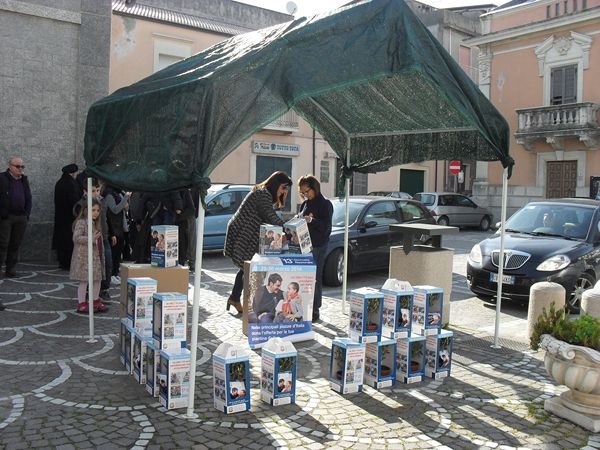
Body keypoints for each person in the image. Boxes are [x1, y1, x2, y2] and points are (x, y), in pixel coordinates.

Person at [224, 171, 292, 314]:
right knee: (248, 267)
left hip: (246, 231)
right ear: (276, 184)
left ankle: (234, 298)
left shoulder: (264, 193)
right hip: (243, 232)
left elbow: (269, 216)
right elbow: (270, 217)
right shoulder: (263, 194)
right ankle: (246, 303)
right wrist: (290, 227)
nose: (284, 191)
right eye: (284, 188)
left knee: (246, 267)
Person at [297, 175, 333, 322]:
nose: (305, 195)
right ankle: (304, 306)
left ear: (314, 188)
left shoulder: (325, 204)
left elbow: (326, 227)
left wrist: (312, 221)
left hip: (318, 245)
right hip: (304, 245)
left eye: (307, 191)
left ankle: (315, 310)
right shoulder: (305, 204)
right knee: (304, 278)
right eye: (303, 193)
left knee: (315, 278)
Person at [74, 180, 115, 301]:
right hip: (89, 242)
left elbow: (107, 219)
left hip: (103, 238)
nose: (96, 193)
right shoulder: (81, 205)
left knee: (106, 264)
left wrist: (112, 233)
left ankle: (103, 290)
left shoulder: (101, 202)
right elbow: (79, 225)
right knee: (88, 268)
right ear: (85, 192)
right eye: (92, 191)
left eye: (97, 190)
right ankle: (87, 293)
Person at [69, 198, 108, 314]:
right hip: (84, 258)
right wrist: (91, 238)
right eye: (93, 210)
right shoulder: (82, 222)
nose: (96, 213)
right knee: (84, 281)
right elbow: (76, 238)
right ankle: (81, 303)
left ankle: (95, 300)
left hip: (95, 257)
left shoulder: (95, 223)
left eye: (98, 210)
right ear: (86, 210)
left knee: (97, 279)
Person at [0, 156, 32, 278]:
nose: (20, 169)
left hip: (21, 217)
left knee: (15, 244)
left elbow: (28, 197)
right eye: (17, 166)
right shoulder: (2, 178)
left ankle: (10, 269)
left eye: (22, 166)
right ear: (10, 166)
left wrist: (26, 214)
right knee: (3, 243)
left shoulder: (24, 180)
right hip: (6, 217)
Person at [52, 164, 81, 270]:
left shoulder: (59, 182)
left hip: (60, 216)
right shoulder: (71, 183)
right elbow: (74, 200)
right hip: (70, 217)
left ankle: (62, 261)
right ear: (72, 173)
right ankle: (68, 263)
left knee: (61, 240)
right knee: (69, 240)